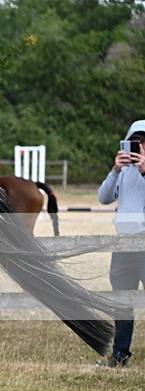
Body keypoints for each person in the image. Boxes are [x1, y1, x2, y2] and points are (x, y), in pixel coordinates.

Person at [96, 120, 145, 368]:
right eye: (134, 142)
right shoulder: (123, 171)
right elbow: (104, 197)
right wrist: (115, 170)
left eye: (143, 142)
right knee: (122, 303)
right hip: (123, 244)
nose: (139, 147)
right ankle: (119, 355)